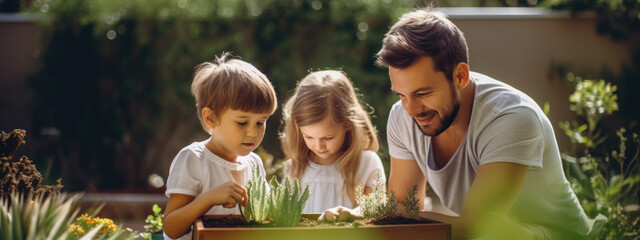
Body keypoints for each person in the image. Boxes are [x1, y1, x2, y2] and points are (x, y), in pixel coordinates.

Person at [373, 10, 593, 239]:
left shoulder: (512, 117)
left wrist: (405, 221)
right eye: (401, 94)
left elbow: (476, 225)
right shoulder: (403, 116)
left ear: (460, 76)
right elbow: (402, 207)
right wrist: (356, 218)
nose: (411, 109)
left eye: (423, 93)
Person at [162, 52, 277, 240]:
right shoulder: (193, 159)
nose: (252, 133)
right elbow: (171, 228)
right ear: (211, 118)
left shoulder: (254, 163)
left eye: (260, 122)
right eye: (241, 122)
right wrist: (208, 199)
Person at [280, 70, 385, 220]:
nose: (318, 146)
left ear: (348, 124)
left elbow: (377, 206)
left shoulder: (367, 163)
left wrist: (354, 214)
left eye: (328, 137)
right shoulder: (295, 168)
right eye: (309, 137)